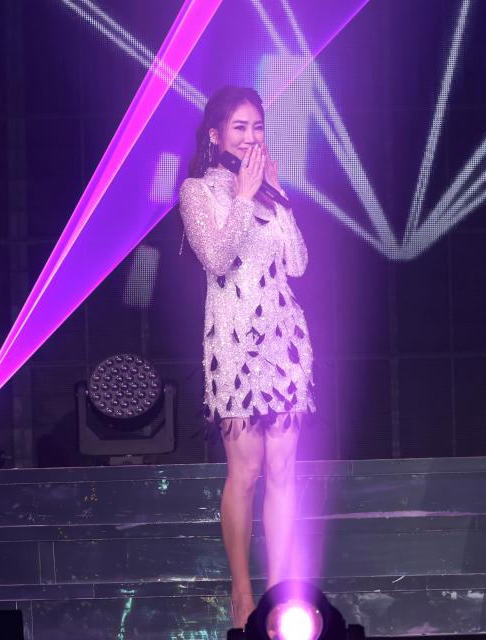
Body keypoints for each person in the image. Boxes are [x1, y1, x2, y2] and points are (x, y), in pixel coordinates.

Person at [179, 86, 316, 628]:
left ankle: (280, 596)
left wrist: (277, 198)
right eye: (239, 127)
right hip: (233, 345)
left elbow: (299, 264)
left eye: (257, 126)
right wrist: (243, 195)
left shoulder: (270, 192)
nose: (250, 136)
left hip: (285, 342)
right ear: (216, 135)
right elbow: (216, 258)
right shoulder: (197, 191)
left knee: (283, 470)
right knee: (248, 471)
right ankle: (242, 596)